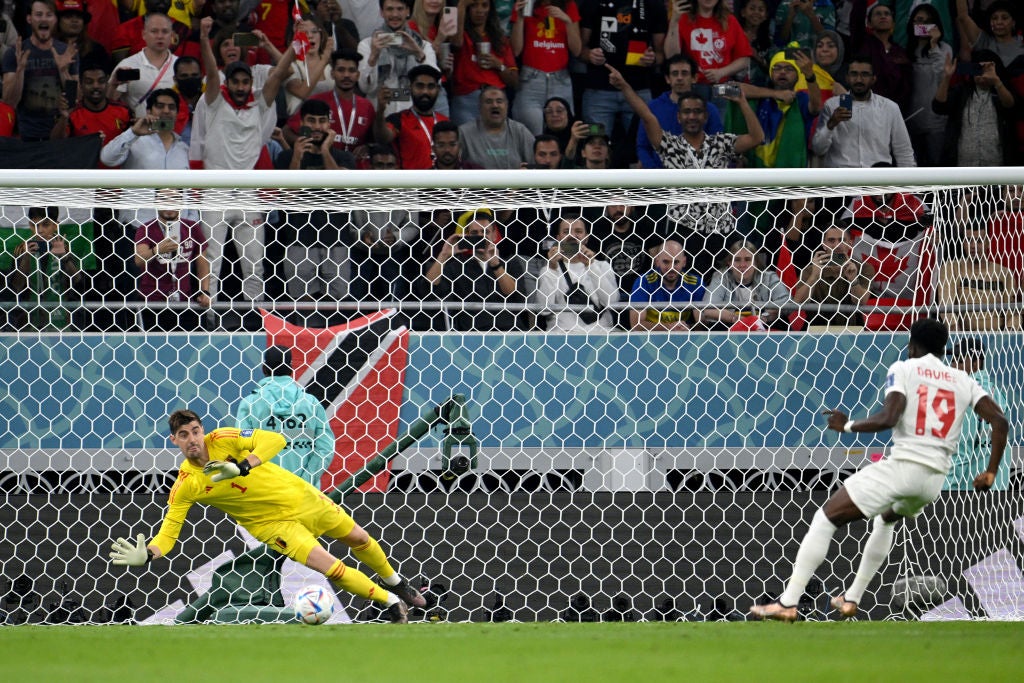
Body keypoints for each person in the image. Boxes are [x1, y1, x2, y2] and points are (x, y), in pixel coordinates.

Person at [750, 318, 1009, 622]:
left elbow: (889, 417)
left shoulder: (904, 368)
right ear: (943, 348)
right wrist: (991, 471)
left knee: (826, 518)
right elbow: (1000, 422)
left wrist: (846, 425)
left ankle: (788, 602)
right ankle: (850, 599)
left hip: (904, 467)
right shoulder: (964, 379)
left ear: (912, 344)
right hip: (934, 481)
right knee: (886, 520)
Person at [108, 409, 426, 624]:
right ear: (174, 440)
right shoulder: (186, 485)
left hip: (300, 497)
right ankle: (389, 602)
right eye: (183, 434)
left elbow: (275, 439)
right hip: (273, 526)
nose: (192, 439)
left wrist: (242, 465)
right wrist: (148, 554)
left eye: (195, 431)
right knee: (333, 568)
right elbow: (169, 533)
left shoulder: (224, 439)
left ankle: (395, 583)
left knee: (360, 539)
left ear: (202, 430)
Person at [606, 64, 764, 277]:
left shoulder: (721, 143)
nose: (692, 116)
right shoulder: (670, 145)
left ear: (705, 117)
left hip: (723, 229)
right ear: (679, 117)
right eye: (687, 112)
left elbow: (757, 138)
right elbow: (647, 116)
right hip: (684, 230)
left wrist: (742, 101)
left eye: (697, 111)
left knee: (734, 279)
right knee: (688, 292)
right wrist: (624, 86)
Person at [197, 16, 295, 308]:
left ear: (251, 83)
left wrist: (295, 44)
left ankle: (255, 318)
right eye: (235, 82)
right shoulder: (214, 102)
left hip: (248, 191)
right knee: (212, 259)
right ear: (228, 83)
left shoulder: (259, 104)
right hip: (215, 191)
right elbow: (211, 73)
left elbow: (279, 75)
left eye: (245, 82)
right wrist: (203, 37)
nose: (240, 87)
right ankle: (209, 318)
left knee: (254, 261)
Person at [236, 346, 335, 487]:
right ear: (291, 369)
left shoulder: (250, 404)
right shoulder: (311, 403)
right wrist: (305, 481)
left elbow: (242, 448)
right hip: (306, 493)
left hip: (266, 490)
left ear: (264, 368)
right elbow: (325, 448)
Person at [578, 0, 666, 157]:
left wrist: (653, 59)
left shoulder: (654, 4)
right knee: (595, 149)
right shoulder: (591, 3)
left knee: (646, 148)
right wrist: (589, 55)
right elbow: (580, 50)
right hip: (599, 91)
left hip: (638, 91)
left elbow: (661, 54)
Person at [423, 207, 526, 331]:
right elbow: (428, 291)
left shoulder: (511, 263)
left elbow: (516, 298)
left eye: (485, 232)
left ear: (494, 234)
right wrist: (443, 255)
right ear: (466, 236)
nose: (481, 237)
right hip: (471, 334)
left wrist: (495, 264)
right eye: (474, 233)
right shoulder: (456, 267)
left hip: (509, 332)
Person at [100, 88, 190, 226]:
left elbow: (187, 191)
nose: (166, 111)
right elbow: (107, 158)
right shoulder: (134, 141)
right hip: (137, 227)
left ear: (177, 114)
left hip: (176, 230)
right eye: (160, 106)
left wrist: (191, 221)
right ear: (148, 111)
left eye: (171, 107)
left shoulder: (183, 148)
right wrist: (133, 132)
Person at [810, 56, 915, 169]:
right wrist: (831, 124)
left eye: (864, 74)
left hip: (878, 178)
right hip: (841, 178)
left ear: (873, 79)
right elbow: (818, 149)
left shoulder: (889, 108)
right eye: (854, 74)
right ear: (847, 78)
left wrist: (907, 184)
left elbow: (903, 151)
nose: (859, 80)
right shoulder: (831, 106)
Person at [132, 191, 211, 331]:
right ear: (156, 202)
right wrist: (156, 250)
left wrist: (205, 291)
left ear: (181, 203)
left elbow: (202, 261)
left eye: (174, 199)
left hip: (184, 302)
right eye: (164, 199)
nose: (169, 203)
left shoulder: (192, 228)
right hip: (152, 302)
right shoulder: (146, 229)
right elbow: (139, 260)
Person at [2, 0, 79, 141]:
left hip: (59, 135)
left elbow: (75, 101)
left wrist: (63, 71)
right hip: (25, 137)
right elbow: (9, 102)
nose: (43, 18)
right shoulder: (15, 53)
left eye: (49, 15)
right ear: (29, 19)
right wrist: (20, 70)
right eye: (38, 14)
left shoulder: (66, 52)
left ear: (55, 19)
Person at [944, 338, 1012, 492]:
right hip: (999, 492)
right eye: (953, 360)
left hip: (969, 499)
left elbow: (959, 455)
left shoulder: (966, 394)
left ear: (975, 364)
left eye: (960, 361)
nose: (953, 366)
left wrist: (943, 495)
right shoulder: (997, 392)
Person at [932, 50, 1020, 167]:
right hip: (963, 166)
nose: (982, 73)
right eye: (978, 68)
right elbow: (939, 107)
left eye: (986, 68)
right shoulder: (961, 91)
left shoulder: (1003, 90)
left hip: (997, 166)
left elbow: (1011, 106)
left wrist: (996, 81)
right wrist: (947, 77)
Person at [282, 48, 376, 157]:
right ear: (332, 74)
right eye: (341, 70)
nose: (346, 75)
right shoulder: (317, 101)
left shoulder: (367, 106)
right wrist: (309, 143)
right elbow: (287, 131)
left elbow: (373, 140)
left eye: (351, 70)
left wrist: (368, 147)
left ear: (358, 75)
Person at [637, 53, 723, 169]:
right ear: (667, 79)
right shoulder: (652, 108)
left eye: (685, 73)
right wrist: (655, 174)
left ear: (694, 78)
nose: (679, 78)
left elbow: (716, 147)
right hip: (660, 178)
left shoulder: (709, 109)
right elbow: (643, 146)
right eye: (674, 73)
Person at [535, 212, 618, 332]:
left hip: (600, 334)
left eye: (578, 231)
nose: (572, 235)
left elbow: (612, 303)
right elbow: (544, 310)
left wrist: (591, 266)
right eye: (566, 231)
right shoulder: (549, 270)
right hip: (563, 336)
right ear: (558, 238)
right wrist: (551, 269)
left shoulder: (602, 266)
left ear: (587, 237)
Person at [357, 0, 438, 119]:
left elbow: (436, 83)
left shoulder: (423, 46)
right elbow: (365, 88)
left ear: (408, 11)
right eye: (389, 9)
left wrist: (418, 53)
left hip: (413, 116)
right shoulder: (367, 45)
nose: (395, 14)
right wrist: (373, 56)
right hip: (378, 114)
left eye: (400, 9)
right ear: (381, 12)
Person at [509, 0, 580, 135]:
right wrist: (519, 19)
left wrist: (567, 21)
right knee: (531, 135)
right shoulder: (525, 4)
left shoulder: (569, 5)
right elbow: (516, 51)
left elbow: (577, 50)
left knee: (562, 134)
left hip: (560, 80)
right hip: (531, 80)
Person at [7, 205, 83, 331]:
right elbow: (15, 287)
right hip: (28, 321)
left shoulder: (65, 247)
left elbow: (79, 282)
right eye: (35, 225)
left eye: (45, 224)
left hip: (60, 320)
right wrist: (26, 258)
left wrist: (64, 257)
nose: (40, 230)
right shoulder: (21, 249)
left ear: (56, 225)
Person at [936, 224, 1018, 332]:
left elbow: (1013, 312)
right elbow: (946, 305)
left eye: (979, 241)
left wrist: (1007, 338)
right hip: (964, 336)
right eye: (969, 240)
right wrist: (957, 336)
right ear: (963, 243)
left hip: (998, 338)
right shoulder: (951, 268)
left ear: (988, 243)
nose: (973, 246)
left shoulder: (1005, 273)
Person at [449, 0, 518, 126]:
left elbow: (514, 80)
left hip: (495, 99)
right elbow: (456, 43)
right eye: (474, 5)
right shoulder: (461, 34)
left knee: (494, 144)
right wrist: (462, 5)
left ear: (490, 10)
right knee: (467, 144)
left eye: (484, 5)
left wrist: (498, 65)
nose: (479, 10)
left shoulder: (500, 39)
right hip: (467, 98)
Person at [700, 239, 793, 331]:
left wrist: (763, 318)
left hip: (763, 326)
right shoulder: (721, 277)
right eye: (737, 260)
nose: (742, 265)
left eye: (748, 260)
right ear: (729, 263)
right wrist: (740, 321)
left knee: (782, 322)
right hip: (731, 328)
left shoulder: (768, 277)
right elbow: (708, 309)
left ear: (756, 262)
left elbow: (787, 302)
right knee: (716, 327)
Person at [791, 225, 874, 328]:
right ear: (824, 244)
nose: (837, 245)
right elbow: (798, 303)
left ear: (850, 244)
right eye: (831, 240)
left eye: (842, 240)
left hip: (852, 330)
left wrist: (853, 279)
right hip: (816, 331)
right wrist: (814, 276)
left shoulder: (864, 268)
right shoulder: (811, 270)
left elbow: (861, 302)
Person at [374, 63, 446, 169]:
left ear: (438, 89)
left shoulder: (445, 121)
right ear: (410, 87)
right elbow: (382, 137)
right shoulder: (398, 119)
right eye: (420, 86)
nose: (425, 91)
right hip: (409, 183)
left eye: (430, 86)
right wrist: (380, 110)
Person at [906, 3, 952, 167]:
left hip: (936, 122)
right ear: (912, 23)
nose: (923, 25)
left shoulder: (944, 48)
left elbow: (943, 77)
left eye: (928, 21)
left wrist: (934, 45)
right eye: (919, 20)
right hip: (910, 120)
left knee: (936, 166)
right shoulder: (906, 50)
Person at [108, 13, 177, 119]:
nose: (160, 36)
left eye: (165, 31)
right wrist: (113, 85)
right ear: (144, 34)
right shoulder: (128, 64)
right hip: (139, 131)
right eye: (154, 31)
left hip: (174, 131)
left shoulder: (179, 65)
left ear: (172, 36)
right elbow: (110, 103)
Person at [628, 239, 705, 332]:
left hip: (683, 339)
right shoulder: (644, 282)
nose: (671, 268)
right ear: (657, 262)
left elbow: (701, 324)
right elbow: (636, 325)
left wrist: (686, 328)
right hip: (649, 339)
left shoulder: (695, 283)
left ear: (684, 262)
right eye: (666, 262)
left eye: (676, 262)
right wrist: (669, 327)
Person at [458, 84, 534, 169]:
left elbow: (535, 165)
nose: (494, 105)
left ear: (506, 105)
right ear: (479, 107)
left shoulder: (520, 131)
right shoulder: (464, 133)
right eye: (488, 102)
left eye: (499, 101)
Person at [955, 0, 1023, 68]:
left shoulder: (1022, 41)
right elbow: (963, 17)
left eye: (1004, 18)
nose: (999, 22)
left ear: (1013, 22)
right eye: (994, 18)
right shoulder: (984, 41)